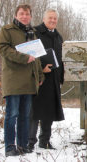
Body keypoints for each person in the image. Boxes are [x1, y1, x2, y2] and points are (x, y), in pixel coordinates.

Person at [0, 4, 44, 156]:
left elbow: (35, 57)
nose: (25, 16)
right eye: (22, 13)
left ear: (30, 16)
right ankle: (10, 147)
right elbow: (3, 49)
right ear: (16, 15)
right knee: (12, 115)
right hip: (13, 80)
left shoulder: (32, 33)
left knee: (25, 116)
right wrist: (24, 58)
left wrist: (40, 75)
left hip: (29, 81)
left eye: (27, 14)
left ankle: (23, 146)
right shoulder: (7, 30)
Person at [28, 9, 65, 150]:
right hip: (38, 78)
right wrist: (40, 70)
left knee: (49, 111)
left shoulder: (58, 36)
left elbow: (60, 59)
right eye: (50, 18)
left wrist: (61, 77)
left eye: (55, 18)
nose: (53, 20)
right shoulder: (35, 32)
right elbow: (29, 54)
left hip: (54, 79)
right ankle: (30, 142)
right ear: (44, 18)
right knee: (34, 111)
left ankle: (45, 141)